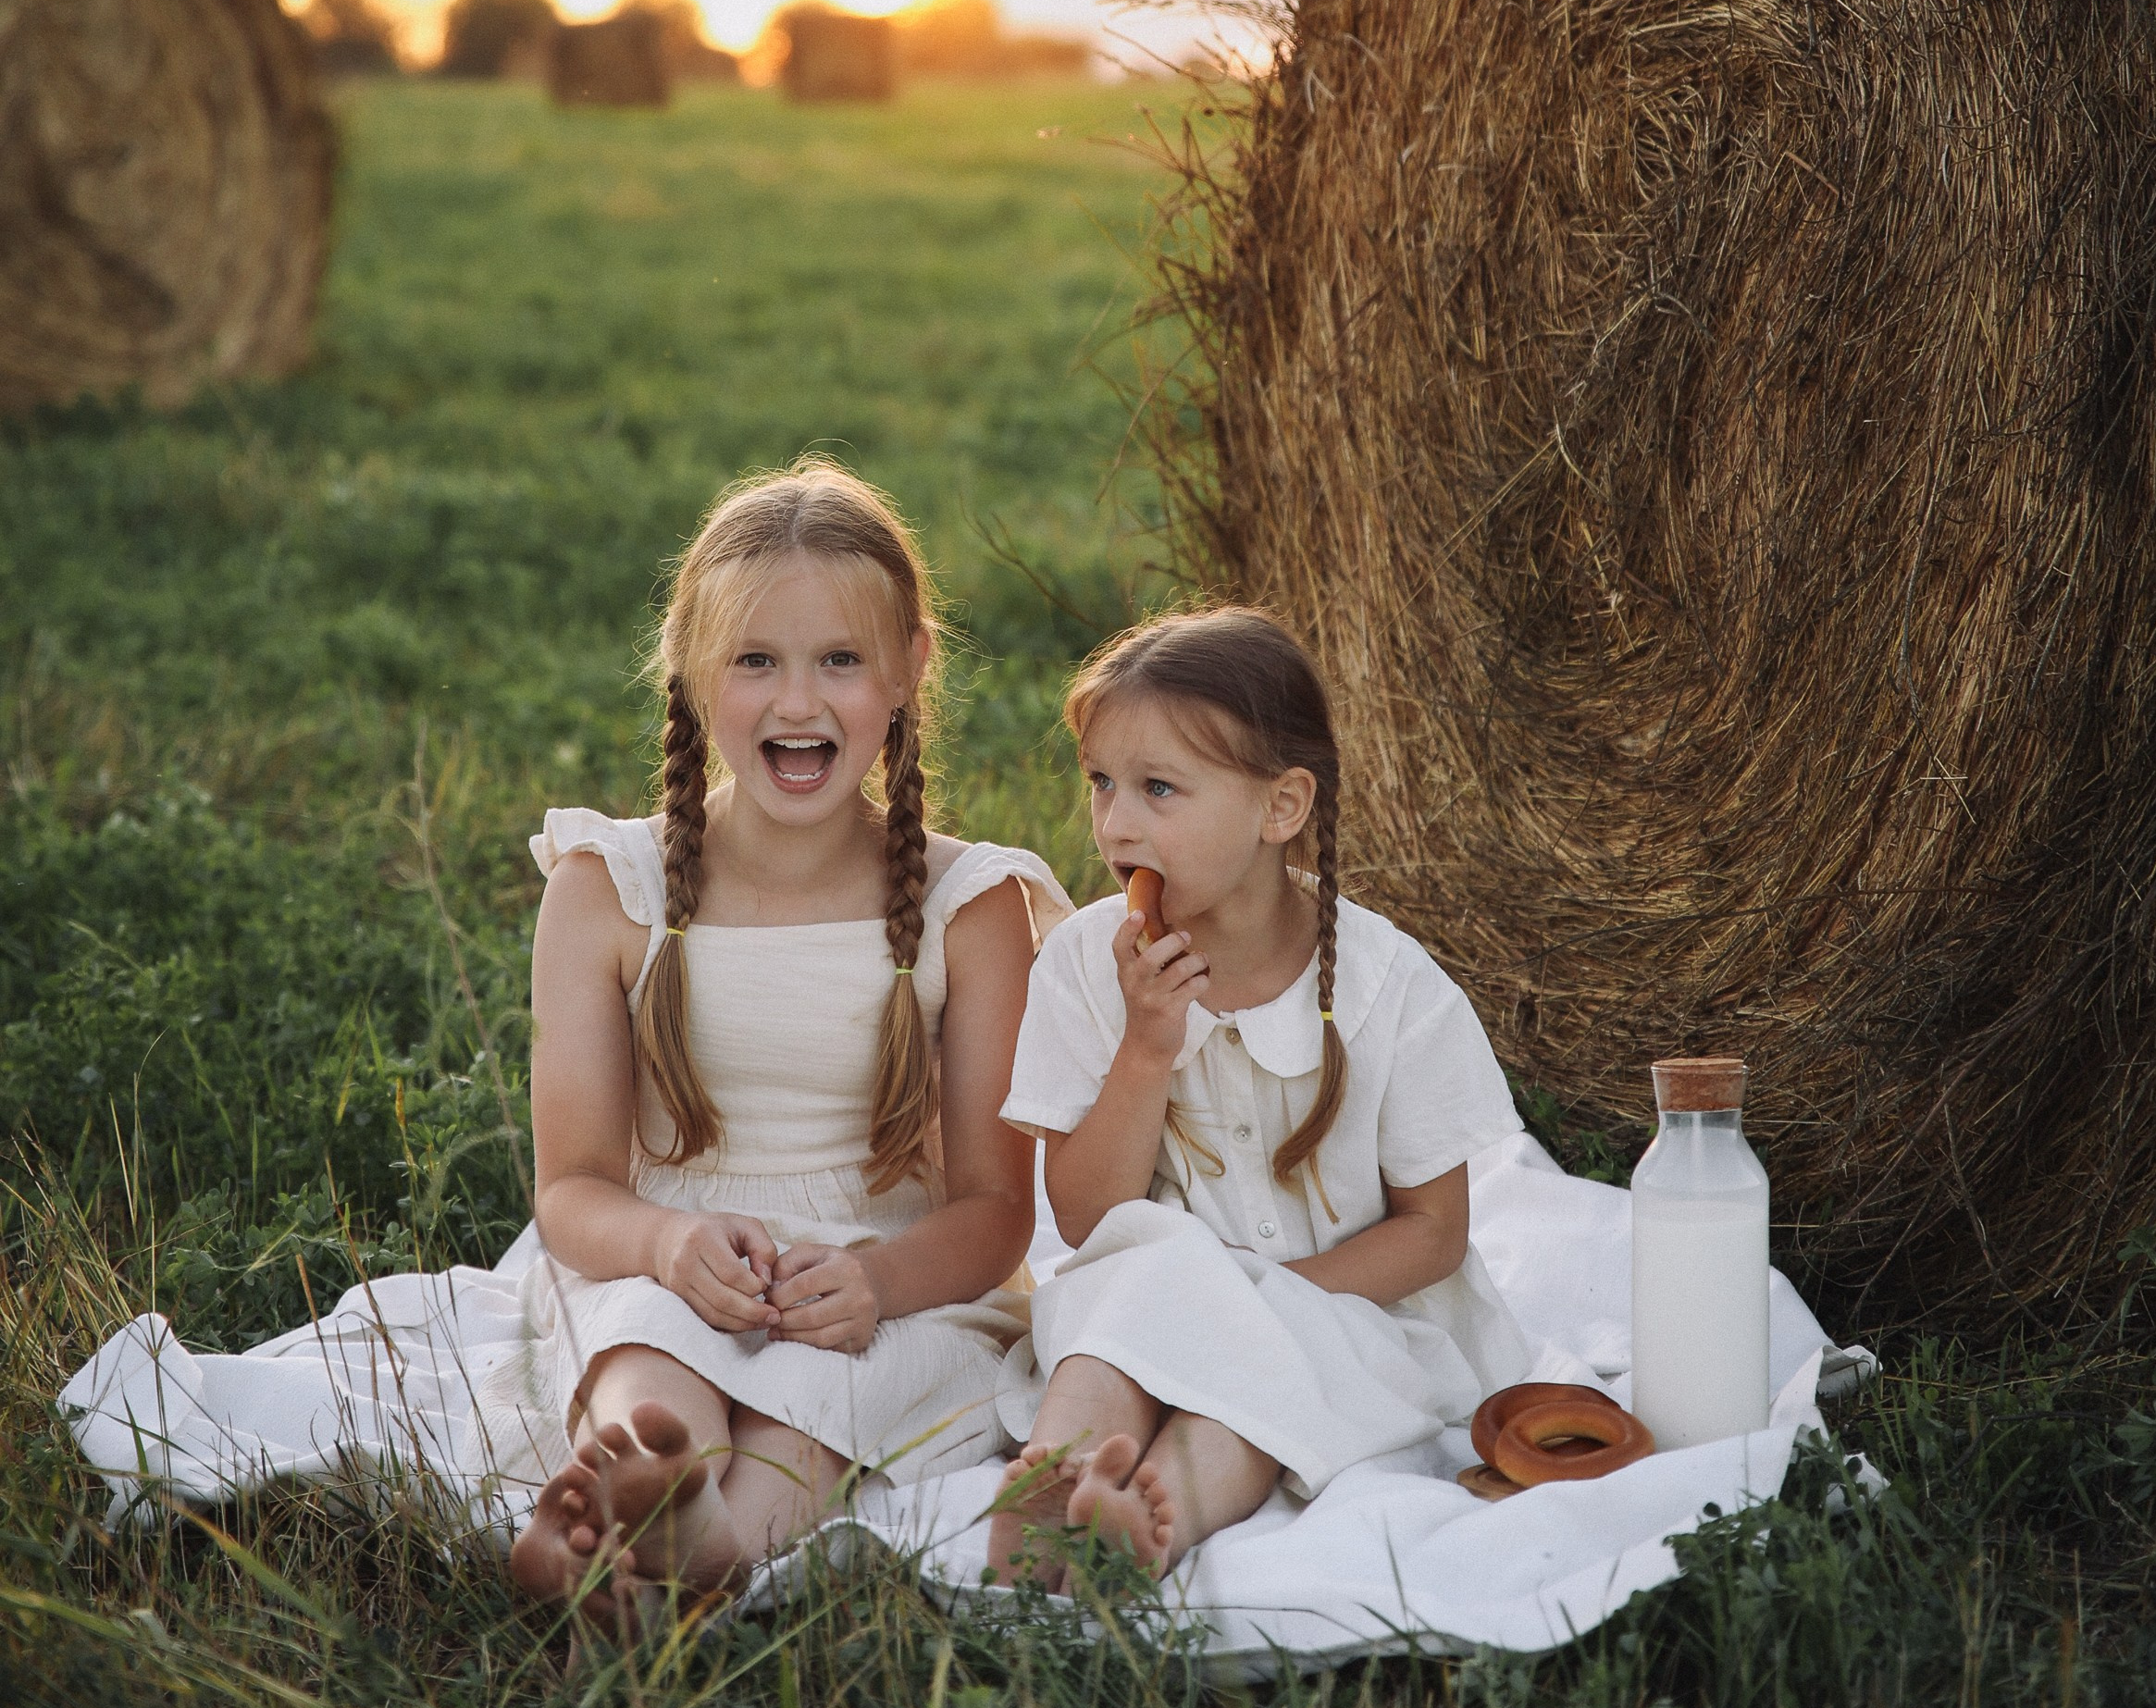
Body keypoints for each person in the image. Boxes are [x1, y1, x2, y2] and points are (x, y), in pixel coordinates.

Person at [503, 461, 1064, 1612]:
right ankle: (635, 1467)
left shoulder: (975, 908)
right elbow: (573, 1190)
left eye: (840, 660)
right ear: (692, 665)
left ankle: (689, 1544)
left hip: (890, 1283)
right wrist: (666, 1245)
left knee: (823, 1400)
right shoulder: (608, 890)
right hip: (663, 1248)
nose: (797, 701)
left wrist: (874, 1277)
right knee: (645, 1344)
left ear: (912, 664)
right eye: (755, 658)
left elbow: (995, 1211)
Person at [988, 609, 1530, 1586]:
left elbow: (1433, 1231)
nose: (1115, 822)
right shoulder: (1080, 963)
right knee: (1119, 1313)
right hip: (1148, 1290)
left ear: (1280, 806)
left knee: (1253, 1395)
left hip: (1346, 1305)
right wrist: (1146, 1048)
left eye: (1158, 788)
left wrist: (1264, 1302)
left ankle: (1154, 1515)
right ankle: (1049, 1478)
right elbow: (1081, 1218)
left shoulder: (1384, 982)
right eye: (1101, 782)